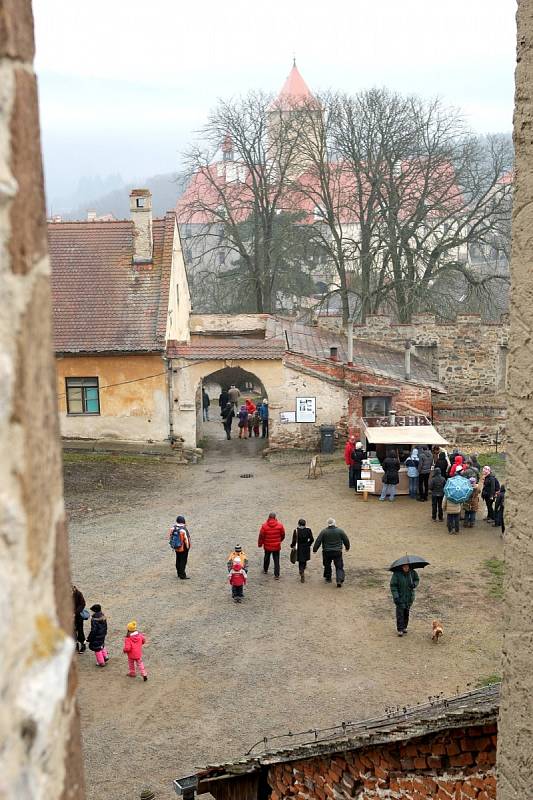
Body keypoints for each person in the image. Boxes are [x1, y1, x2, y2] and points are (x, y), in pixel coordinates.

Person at [313, 518, 350, 587]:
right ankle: (339, 580)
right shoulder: (340, 531)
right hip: (337, 552)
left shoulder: (324, 531)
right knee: (339, 566)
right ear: (335, 523)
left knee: (327, 565)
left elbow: (318, 541)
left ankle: (328, 578)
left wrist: (315, 549)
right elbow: (346, 540)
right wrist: (347, 547)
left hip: (327, 552)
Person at [390, 565, 419, 636]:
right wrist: (396, 596)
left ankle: (404, 627)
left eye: (407, 567)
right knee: (400, 613)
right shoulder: (396, 574)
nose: (406, 568)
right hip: (399, 597)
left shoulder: (412, 573)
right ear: (401, 567)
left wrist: (414, 584)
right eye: (404, 567)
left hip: (409, 598)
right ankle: (400, 629)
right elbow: (393, 586)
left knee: (406, 613)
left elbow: (417, 579)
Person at [258, 512, 286, 579]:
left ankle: (265, 570)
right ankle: (277, 575)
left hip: (267, 546)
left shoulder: (264, 526)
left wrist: (260, 544)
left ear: (269, 517)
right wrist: (279, 541)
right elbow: (283, 535)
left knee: (266, 558)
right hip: (276, 546)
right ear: (275, 517)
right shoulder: (280, 526)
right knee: (276, 560)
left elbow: (261, 536)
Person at [169, 515, 191, 580]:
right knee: (183, 561)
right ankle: (182, 575)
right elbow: (186, 539)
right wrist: (188, 547)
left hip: (176, 546)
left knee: (178, 559)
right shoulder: (184, 529)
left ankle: (178, 573)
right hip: (183, 547)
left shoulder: (173, 528)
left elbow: (170, 537)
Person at [72, 584, 87, 653]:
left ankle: (83, 645)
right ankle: (76, 645)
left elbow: (82, 604)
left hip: (78, 616)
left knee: (80, 631)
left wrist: (75, 613)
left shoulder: (78, 594)